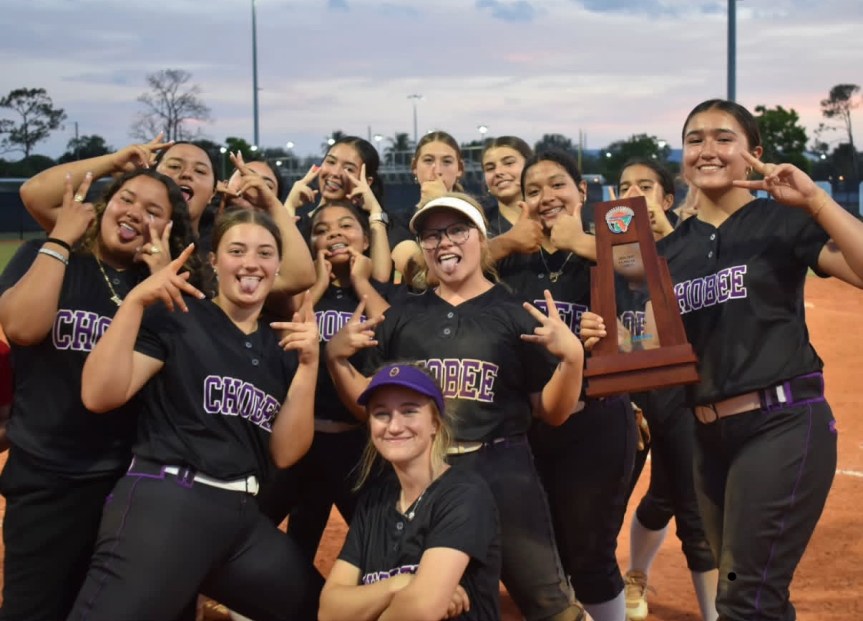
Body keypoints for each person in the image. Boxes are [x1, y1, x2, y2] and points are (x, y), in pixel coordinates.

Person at [582, 98, 863, 621]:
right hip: (706, 440)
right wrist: (608, 337)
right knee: (755, 597)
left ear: (753, 153)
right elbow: (646, 344)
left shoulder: (782, 220)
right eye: (694, 139)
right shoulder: (670, 252)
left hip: (779, 423)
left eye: (723, 137)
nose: (707, 149)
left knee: (743, 599)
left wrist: (816, 202)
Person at [327, 192, 589, 621]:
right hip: (423, 476)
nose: (443, 243)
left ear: (481, 238)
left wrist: (572, 359)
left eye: (456, 230)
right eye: (431, 235)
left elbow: (553, 411)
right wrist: (336, 361)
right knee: (423, 599)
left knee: (550, 604)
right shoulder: (401, 318)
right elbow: (371, 407)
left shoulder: (515, 313)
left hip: (501, 468)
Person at [66, 208, 322, 621]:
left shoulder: (282, 347)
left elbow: (286, 454)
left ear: (277, 267)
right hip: (170, 503)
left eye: (265, 252)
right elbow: (99, 395)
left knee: (319, 609)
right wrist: (133, 302)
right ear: (213, 261)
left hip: (241, 520)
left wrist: (310, 365)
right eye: (236, 250)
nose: (251, 263)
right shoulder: (178, 317)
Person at [0, 168, 197, 621]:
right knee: (33, 609)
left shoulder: (166, 292)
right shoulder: (47, 254)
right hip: (45, 475)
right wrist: (61, 240)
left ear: (168, 228)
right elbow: (23, 329)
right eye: (126, 199)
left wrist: (157, 277)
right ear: (105, 204)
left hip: (123, 482)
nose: (134, 215)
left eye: (154, 211)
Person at [498, 149, 637, 621]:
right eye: (532, 191)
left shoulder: (611, 247)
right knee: (541, 556)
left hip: (595, 421)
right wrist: (505, 243)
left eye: (557, 184)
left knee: (590, 553)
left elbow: (653, 279)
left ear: (583, 191)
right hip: (527, 428)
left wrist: (583, 242)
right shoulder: (512, 261)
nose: (545, 197)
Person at [256, 199, 391, 560]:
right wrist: (315, 286)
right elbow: (289, 330)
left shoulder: (378, 290)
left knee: (377, 539)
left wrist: (361, 280)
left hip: (356, 443)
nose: (333, 233)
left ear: (365, 240)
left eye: (346, 226)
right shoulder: (298, 295)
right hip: (303, 440)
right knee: (271, 527)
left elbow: (393, 329)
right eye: (321, 229)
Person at [615, 159, 718, 621]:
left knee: (686, 506)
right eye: (623, 187)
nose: (633, 194)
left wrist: (673, 235)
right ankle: (628, 576)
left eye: (645, 186)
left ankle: (640, 578)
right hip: (629, 402)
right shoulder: (609, 257)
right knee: (655, 499)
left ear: (667, 199)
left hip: (681, 398)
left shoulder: (690, 252)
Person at [318, 362, 501, 621]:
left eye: (409, 411)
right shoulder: (374, 502)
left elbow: (420, 611)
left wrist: (369, 604)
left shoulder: (464, 494)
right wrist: (400, 584)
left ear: (435, 423)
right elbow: (329, 610)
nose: (394, 426)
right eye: (381, 414)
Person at [284, 136, 392, 283]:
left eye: (348, 168)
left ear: (366, 181)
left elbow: (381, 278)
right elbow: (284, 276)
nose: (335, 173)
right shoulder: (299, 224)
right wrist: (288, 207)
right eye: (330, 162)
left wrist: (375, 211)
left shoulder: (377, 228)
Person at [390, 131, 466, 279]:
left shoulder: (478, 213)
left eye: (447, 162)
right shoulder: (398, 221)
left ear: (460, 169)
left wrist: (442, 201)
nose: (437, 170)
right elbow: (418, 274)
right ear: (414, 166)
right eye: (428, 160)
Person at [480, 136, 544, 260]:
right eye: (490, 168)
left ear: (530, 166)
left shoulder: (552, 214)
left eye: (509, 163)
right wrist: (507, 243)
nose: (498, 172)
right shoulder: (477, 225)